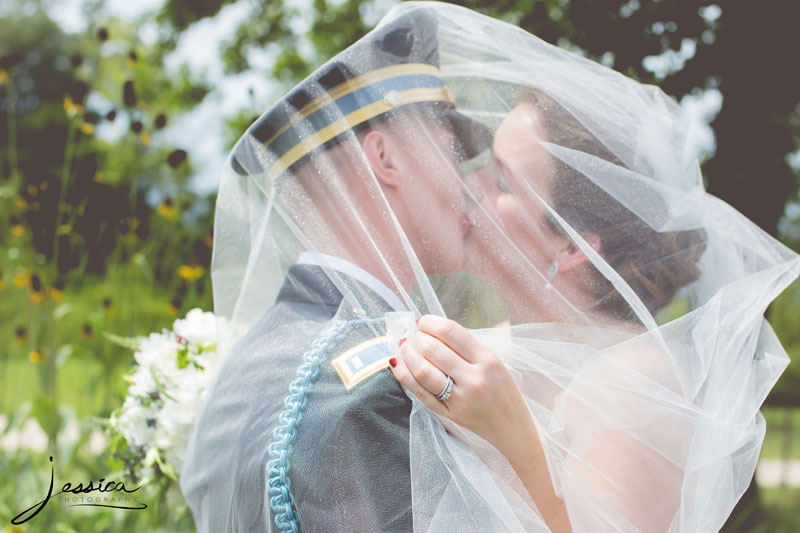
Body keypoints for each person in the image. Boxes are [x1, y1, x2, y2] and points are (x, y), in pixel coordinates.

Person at [376, 3, 799, 532]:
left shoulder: (630, 385)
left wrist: (517, 445)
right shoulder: (479, 350)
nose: (472, 185)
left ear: (574, 246)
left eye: (504, 183)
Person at [180, 8, 491, 533]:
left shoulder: (241, 367)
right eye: (452, 150)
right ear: (385, 157)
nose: (469, 184)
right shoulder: (385, 386)